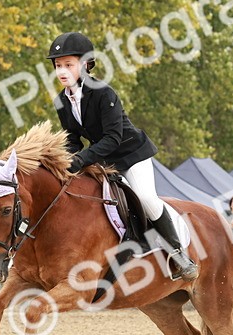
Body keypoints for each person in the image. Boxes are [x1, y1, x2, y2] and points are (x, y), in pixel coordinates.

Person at [50, 31, 198, 280]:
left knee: (145, 198)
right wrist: (70, 161)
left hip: (132, 154)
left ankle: (178, 254)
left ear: (85, 64)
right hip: (105, 160)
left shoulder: (103, 93)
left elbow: (113, 138)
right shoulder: (61, 101)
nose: (62, 71)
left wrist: (83, 159)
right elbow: (72, 139)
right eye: (58, 66)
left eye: (68, 65)